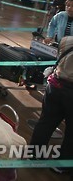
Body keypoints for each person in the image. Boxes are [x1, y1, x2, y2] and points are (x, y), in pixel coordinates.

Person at [30, 36, 73, 175]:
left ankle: (35, 155)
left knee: (46, 122)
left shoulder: (67, 40)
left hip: (55, 86)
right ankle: (62, 164)